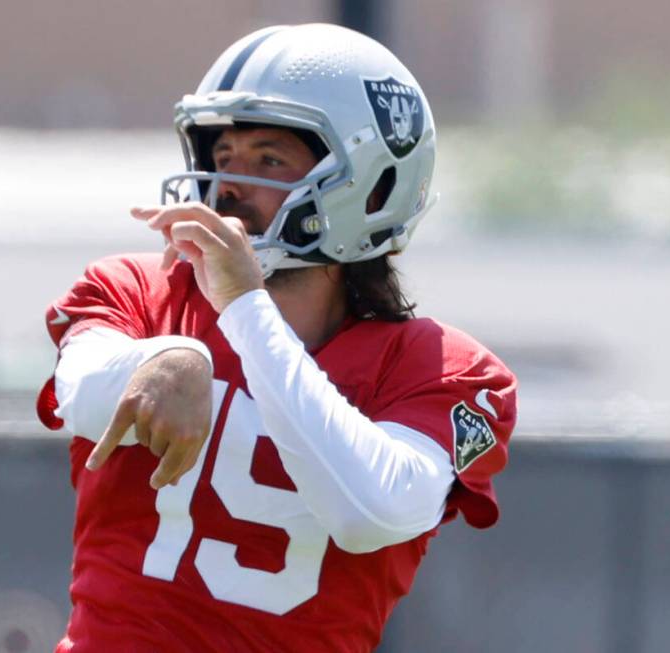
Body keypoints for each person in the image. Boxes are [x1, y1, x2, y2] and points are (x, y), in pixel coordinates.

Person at [36, 23, 517, 653]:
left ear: (371, 187)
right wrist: (168, 356)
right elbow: (84, 392)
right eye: (223, 158)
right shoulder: (138, 291)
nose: (228, 186)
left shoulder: (441, 368)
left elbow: (368, 512)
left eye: (268, 159)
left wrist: (243, 309)